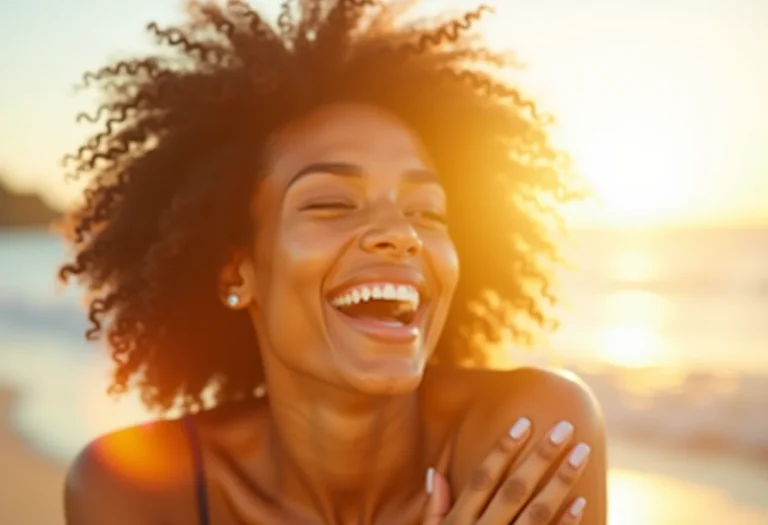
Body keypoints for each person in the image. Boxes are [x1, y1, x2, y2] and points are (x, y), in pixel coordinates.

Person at [59, 1, 606, 523]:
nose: (401, 233)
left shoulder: (531, 433)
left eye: (427, 211)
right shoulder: (131, 489)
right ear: (237, 271)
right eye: (331, 203)